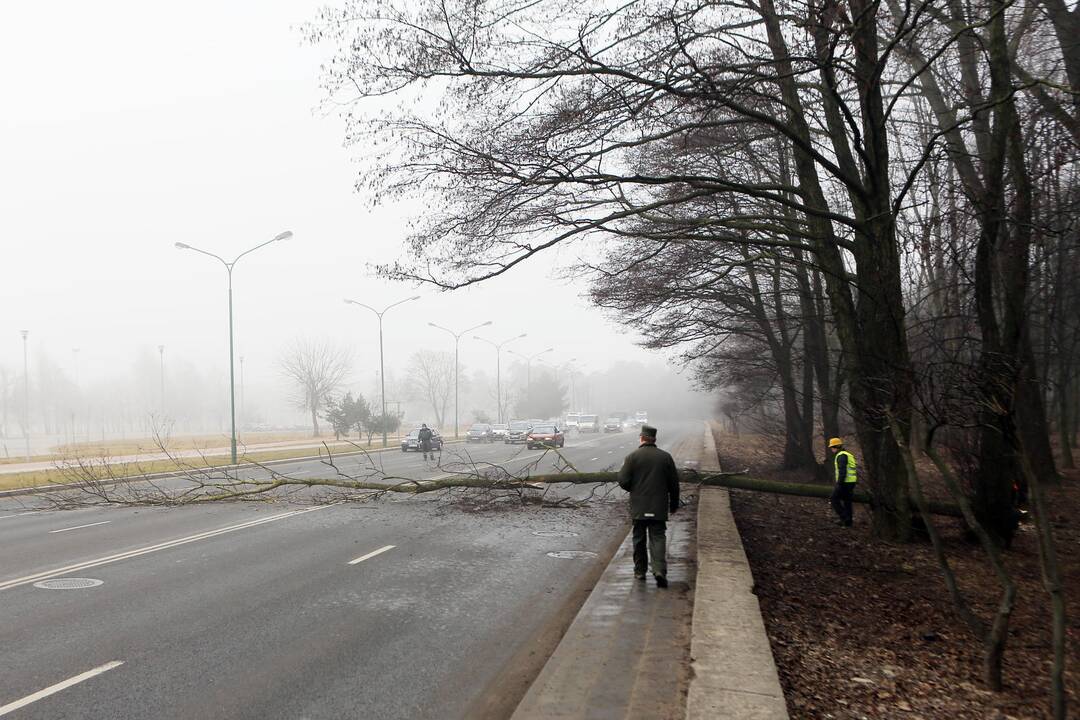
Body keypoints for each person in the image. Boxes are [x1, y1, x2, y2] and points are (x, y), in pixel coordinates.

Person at [618, 424, 680, 588]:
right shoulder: (665, 457)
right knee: (658, 537)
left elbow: (623, 480)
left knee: (639, 538)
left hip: (639, 506)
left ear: (641, 438)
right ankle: (659, 570)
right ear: (654, 439)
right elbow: (674, 484)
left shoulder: (632, 457)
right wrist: (674, 504)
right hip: (658, 506)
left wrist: (634, 489)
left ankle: (640, 571)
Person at [828, 437, 857, 527]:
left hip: (845, 482)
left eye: (832, 447)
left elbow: (842, 471)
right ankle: (848, 523)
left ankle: (844, 517)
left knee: (833, 498)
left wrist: (839, 484)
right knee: (847, 501)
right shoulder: (847, 454)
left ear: (835, 447)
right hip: (851, 482)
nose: (831, 449)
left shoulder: (841, 456)